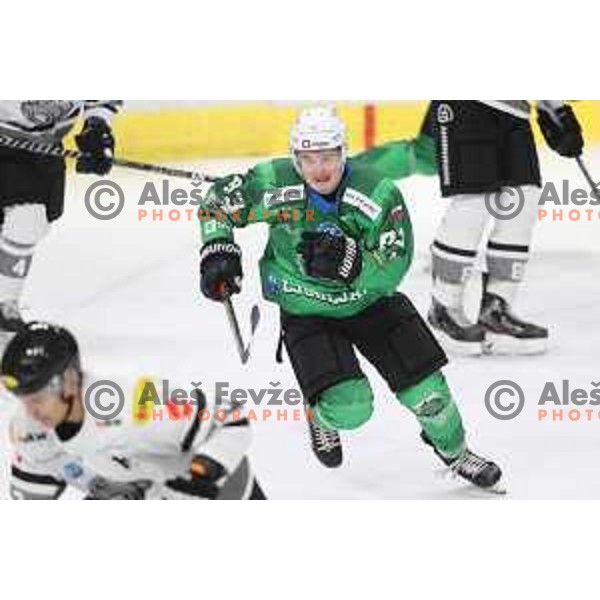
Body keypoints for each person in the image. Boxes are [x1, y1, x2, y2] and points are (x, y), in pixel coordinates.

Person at [197, 105, 503, 491]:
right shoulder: (273, 182)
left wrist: (353, 263)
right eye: (308, 159)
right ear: (296, 158)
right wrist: (218, 250)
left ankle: (456, 453)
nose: (319, 169)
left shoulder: (376, 191)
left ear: (344, 153)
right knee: (350, 408)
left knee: (430, 397)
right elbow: (217, 203)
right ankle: (321, 416)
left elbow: (395, 261)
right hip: (305, 309)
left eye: (328, 157)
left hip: (371, 303)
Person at [1, 321, 264, 500]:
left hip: (226, 489)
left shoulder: (135, 401)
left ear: (69, 381)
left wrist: (201, 473)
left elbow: (231, 418)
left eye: (38, 398)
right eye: (22, 398)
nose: (30, 411)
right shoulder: (28, 430)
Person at [421, 101, 584, 355]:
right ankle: (444, 307)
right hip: (466, 102)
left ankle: (496, 308)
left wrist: (554, 107)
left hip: (514, 110)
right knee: (475, 199)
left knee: (523, 198)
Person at [0, 101, 120, 342]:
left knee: (30, 221)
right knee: (27, 219)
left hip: (41, 148)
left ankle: (4, 304)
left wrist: (97, 126)